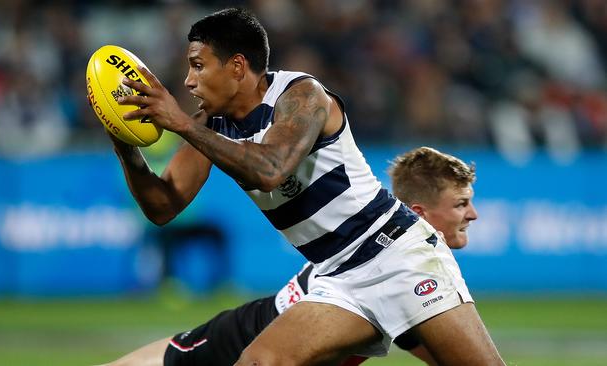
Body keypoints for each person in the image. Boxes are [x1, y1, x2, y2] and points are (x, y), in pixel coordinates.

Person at [106, 7, 503, 365]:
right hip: (336, 275)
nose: (189, 81)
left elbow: (271, 169)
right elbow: (162, 207)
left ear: (238, 66)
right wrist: (124, 140)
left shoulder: (302, 95)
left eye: (198, 66)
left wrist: (181, 124)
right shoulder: (211, 126)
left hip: (397, 254)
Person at [101, 146, 479, 366]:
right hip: (232, 339)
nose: (472, 214)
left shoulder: (401, 272)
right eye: (461, 204)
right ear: (420, 212)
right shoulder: (393, 269)